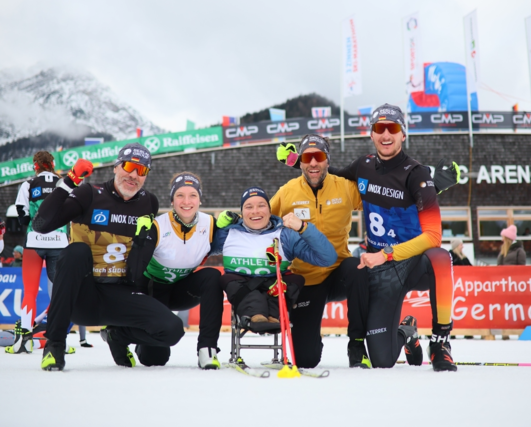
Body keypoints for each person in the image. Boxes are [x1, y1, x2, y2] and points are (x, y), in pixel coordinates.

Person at [329, 103, 459, 371]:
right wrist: (299, 161)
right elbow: (328, 178)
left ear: (403, 134)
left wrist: (387, 254)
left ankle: (440, 342)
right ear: (372, 134)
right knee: (382, 361)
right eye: (379, 128)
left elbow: (433, 236)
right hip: (381, 269)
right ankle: (407, 333)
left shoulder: (417, 174)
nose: (386, 135)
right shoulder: (362, 166)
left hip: (410, 263)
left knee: (441, 257)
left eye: (393, 128)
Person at [32, 143, 185, 371]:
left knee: (170, 333)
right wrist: (69, 181)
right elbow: (41, 225)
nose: (133, 175)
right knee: (76, 251)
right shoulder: (90, 194)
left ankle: (117, 335)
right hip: (82, 295)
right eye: (129, 167)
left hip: (120, 293)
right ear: (116, 167)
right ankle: (54, 346)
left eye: (141, 170)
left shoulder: (148, 203)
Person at [271, 134, 371, 368]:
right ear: (301, 162)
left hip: (339, 273)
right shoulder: (287, 192)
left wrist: (427, 189)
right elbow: (259, 217)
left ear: (328, 160)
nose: (313, 162)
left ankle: (356, 344)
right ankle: (312, 340)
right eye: (308, 157)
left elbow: (379, 199)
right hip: (306, 280)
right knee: (305, 359)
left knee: (358, 269)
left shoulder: (345, 187)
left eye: (319, 157)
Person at [125, 172, 224, 369]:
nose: (186, 201)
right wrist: (139, 240)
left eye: (192, 195)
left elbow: (242, 242)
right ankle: (118, 333)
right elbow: (135, 268)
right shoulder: (158, 225)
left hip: (181, 290)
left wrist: (236, 224)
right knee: (154, 359)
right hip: (153, 290)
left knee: (212, 275)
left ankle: (207, 349)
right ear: (172, 200)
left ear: (200, 199)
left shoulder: (211, 224)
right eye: (180, 195)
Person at [215, 187, 336, 335]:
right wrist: (215, 227)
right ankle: (256, 317)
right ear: (242, 212)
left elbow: (327, 258)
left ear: (269, 210)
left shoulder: (285, 235)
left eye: (261, 205)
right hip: (243, 288)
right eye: (249, 206)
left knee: (295, 279)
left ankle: (274, 316)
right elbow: (200, 249)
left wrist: (303, 228)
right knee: (225, 278)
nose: (255, 211)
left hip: (275, 288)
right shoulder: (228, 233)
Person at [7, 151, 92, 354]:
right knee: (59, 293)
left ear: (35, 166)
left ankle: (24, 340)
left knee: (30, 292)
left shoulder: (28, 184)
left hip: (34, 242)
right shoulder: (66, 183)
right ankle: (57, 339)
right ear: (52, 165)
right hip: (60, 242)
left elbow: (23, 216)